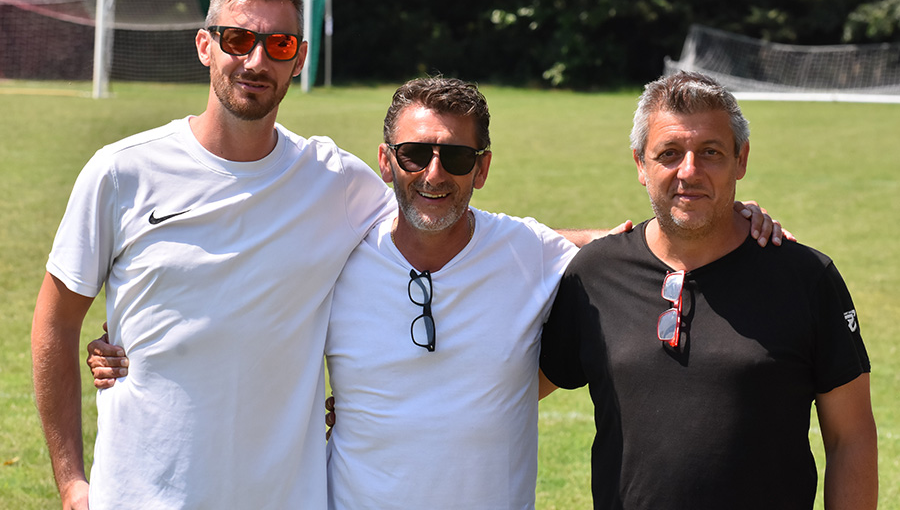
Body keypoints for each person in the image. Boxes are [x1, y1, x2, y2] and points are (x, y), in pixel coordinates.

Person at [85, 77, 785, 509]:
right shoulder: (338, 250)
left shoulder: (528, 251)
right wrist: (132, 351)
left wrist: (736, 218)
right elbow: (233, 309)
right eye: (416, 154)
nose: (433, 174)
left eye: (455, 157)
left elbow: (636, 244)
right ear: (386, 161)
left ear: (483, 168)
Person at [31, 0, 395, 510]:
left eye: (279, 44)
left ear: (299, 59)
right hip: (140, 495)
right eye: (239, 39)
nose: (256, 61)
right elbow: (55, 323)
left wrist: (365, 396)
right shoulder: (121, 171)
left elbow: (435, 245)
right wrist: (70, 482)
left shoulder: (336, 182)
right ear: (205, 46)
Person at [539, 71, 878, 509]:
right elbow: (507, 391)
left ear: (741, 159)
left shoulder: (806, 277)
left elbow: (851, 437)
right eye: (669, 153)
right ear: (640, 164)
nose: (689, 171)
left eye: (711, 152)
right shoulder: (595, 275)